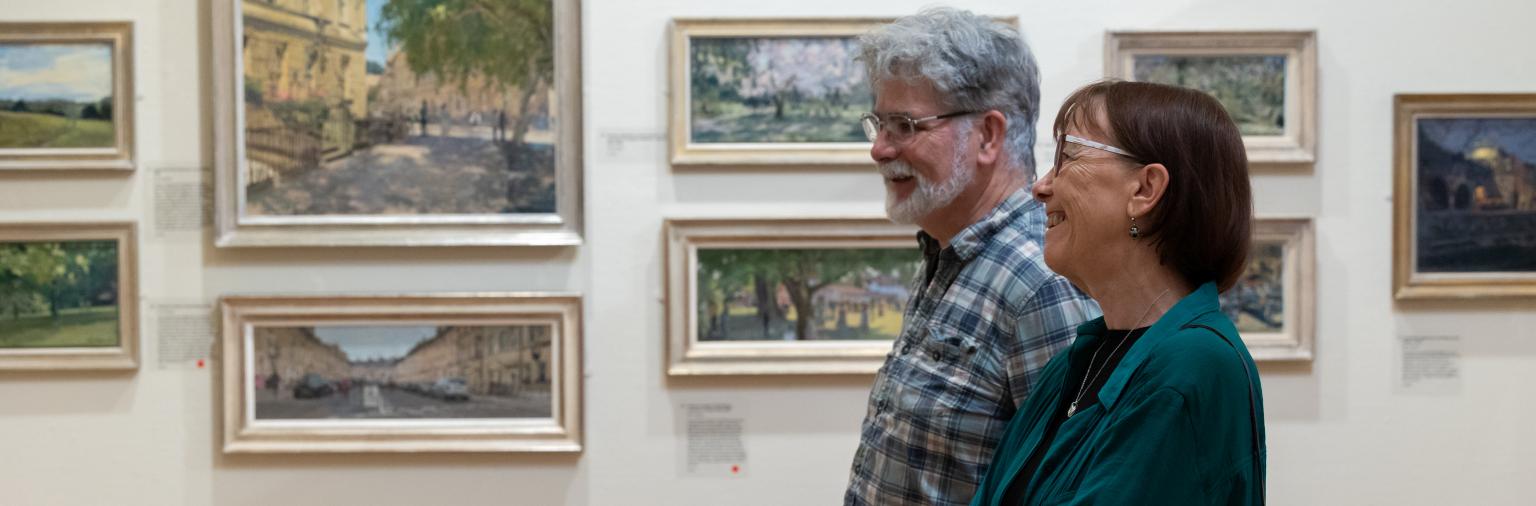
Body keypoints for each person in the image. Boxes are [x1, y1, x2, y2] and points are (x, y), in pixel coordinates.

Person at [845, 8, 1100, 505]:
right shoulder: (950, 254)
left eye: (903, 125)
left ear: (988, 135)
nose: (879, 149)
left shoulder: (1041, 281)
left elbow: (1067, 488)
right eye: (878, 123)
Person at [970, 80, 1266, 505]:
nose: (1041, 187)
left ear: (1145, 190)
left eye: (1067, 157)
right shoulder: (1079, 361)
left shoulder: (1193, 367)